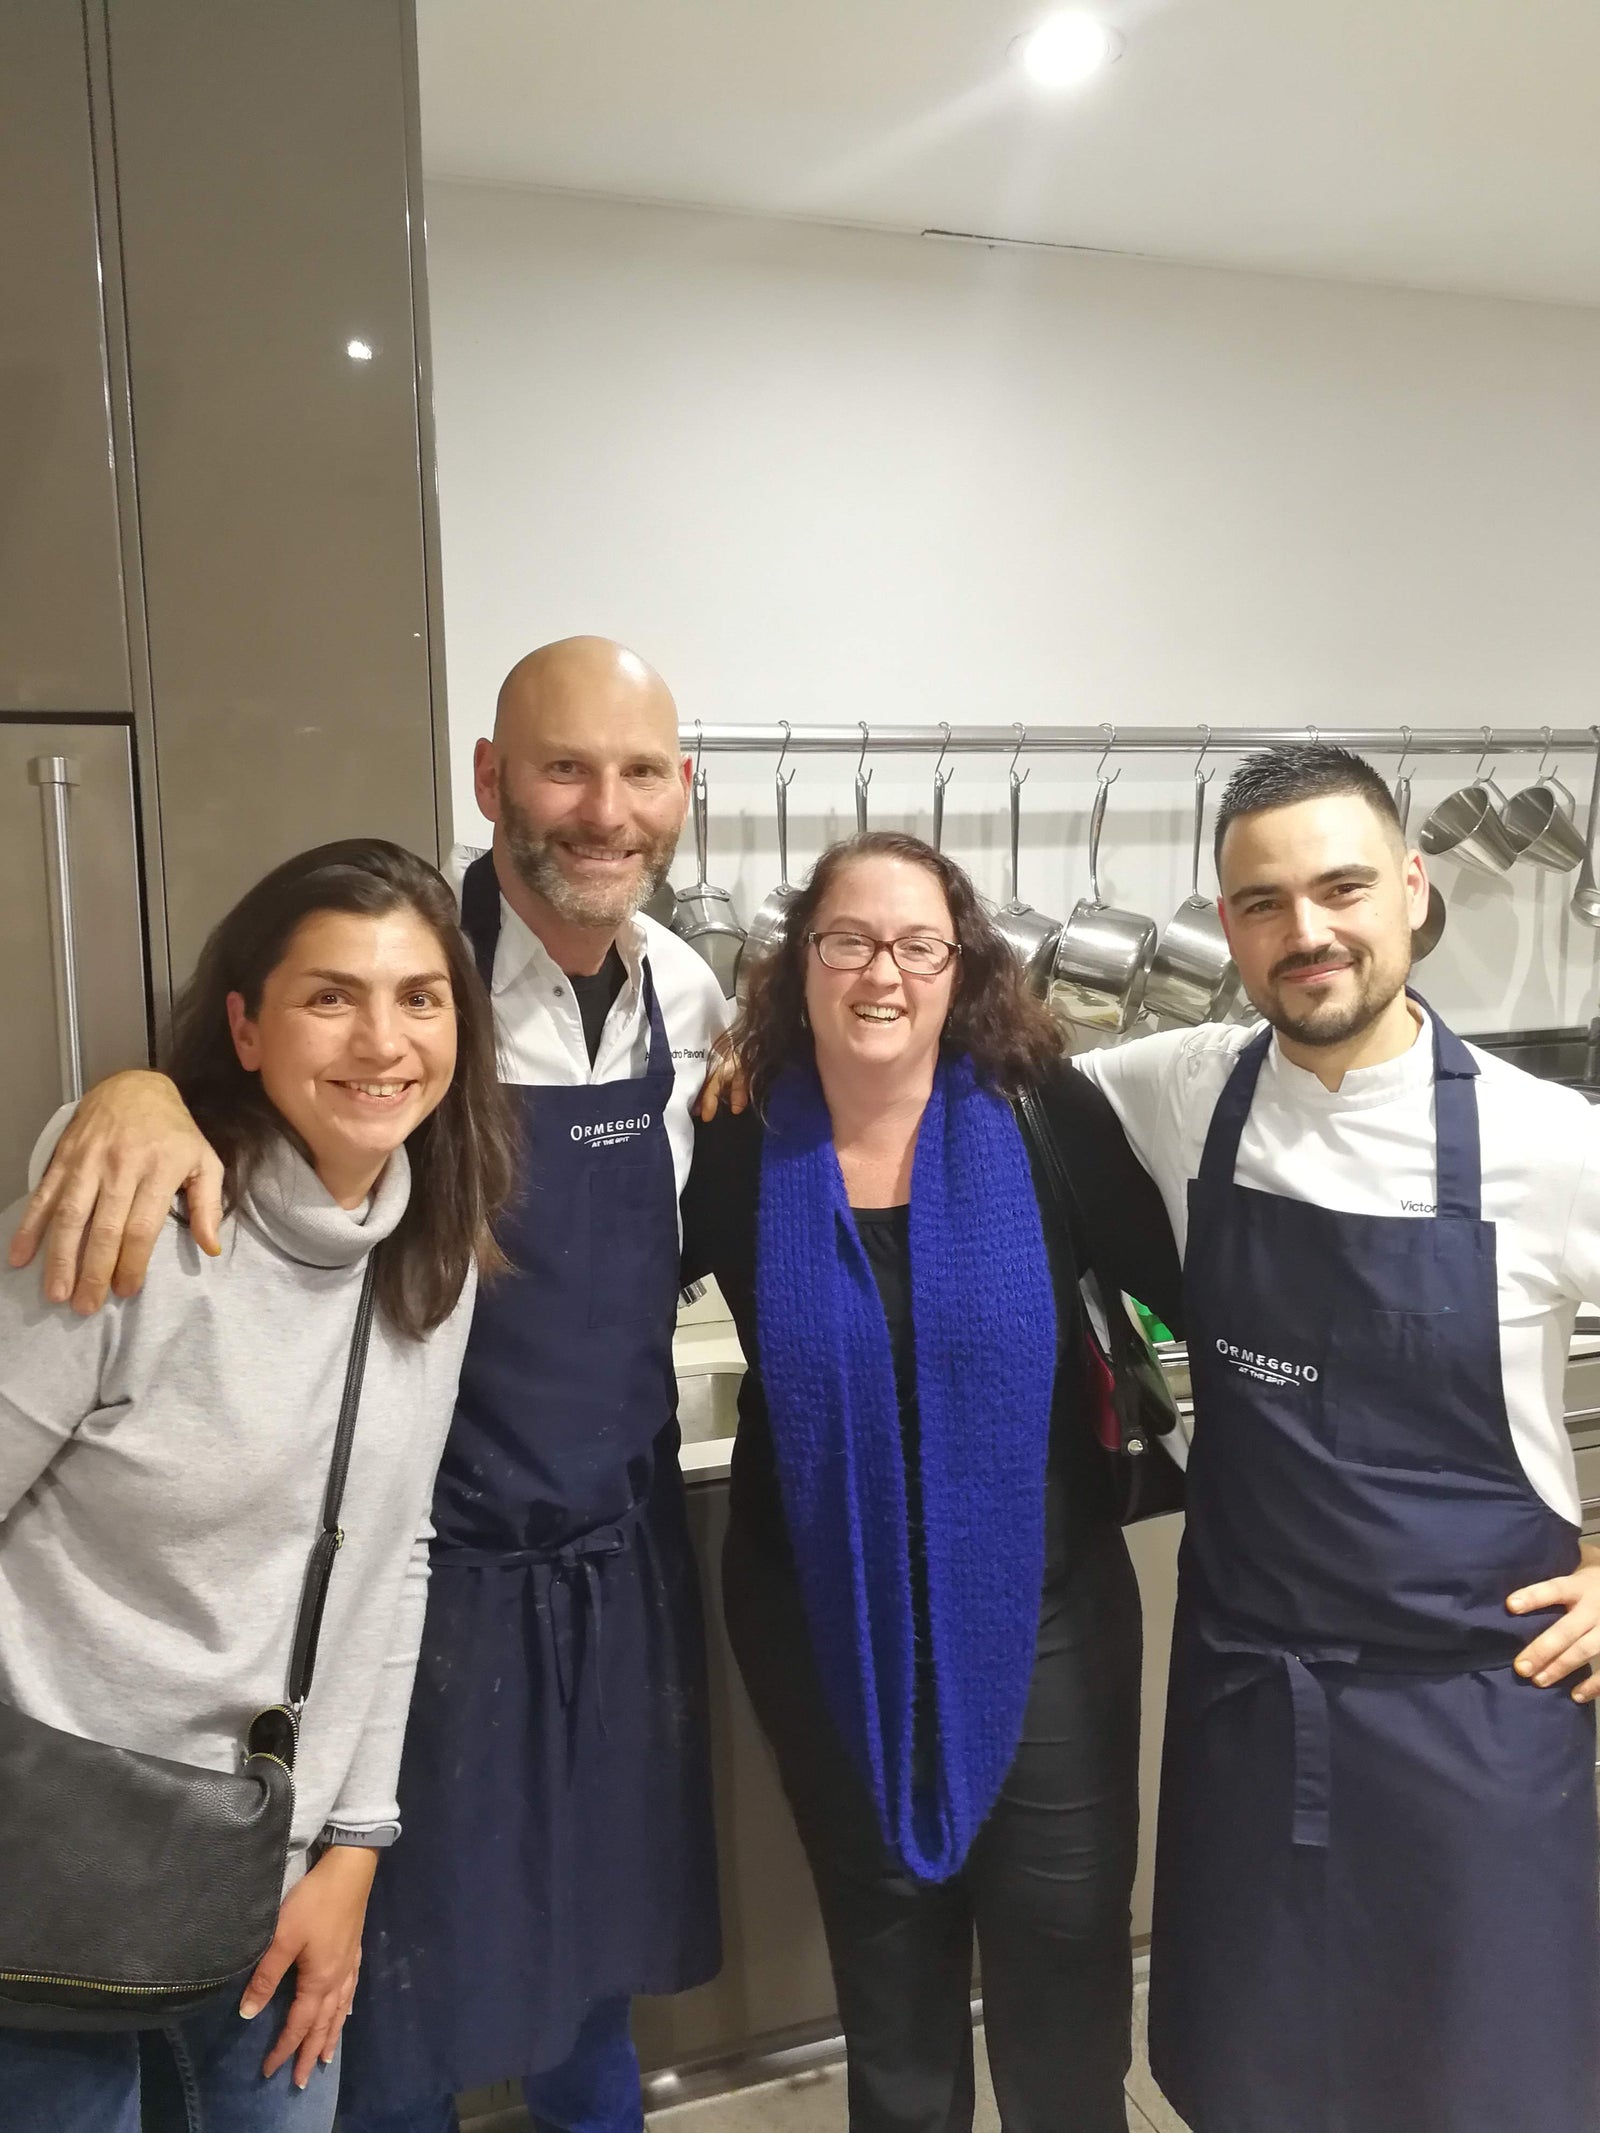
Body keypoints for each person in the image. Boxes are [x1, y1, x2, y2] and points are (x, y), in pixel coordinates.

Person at [8, 638, 732, 2133]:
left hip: (608, 1563)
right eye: (563, 767)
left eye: (642, 771)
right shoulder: (413, 972)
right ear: (491, 780)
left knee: (590, 1962)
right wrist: (122, 1094)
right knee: (376, 2000)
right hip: (423, 1592)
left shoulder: (689, 987)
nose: (605, 809)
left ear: (683, 791)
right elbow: (230, 1111)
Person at [1076, 743, 1600, 2133]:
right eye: (1261, 902)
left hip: (1475, 1722)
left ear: (1414, 889)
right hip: (1253, 1701)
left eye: (1342, 887)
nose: (1305, 932)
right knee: (1263, 2079)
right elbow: (988, 1048)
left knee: (1481, 2083)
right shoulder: (1187, 1088)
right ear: (1229, 924)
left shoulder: (1549, 1145)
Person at [0, 838, 516, 2132]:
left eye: (419, 995)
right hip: (56, 1860)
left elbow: (397, 1554)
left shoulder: (427, 1251)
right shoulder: (136, 1219)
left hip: (277, 1880)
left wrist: (351, 1851)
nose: (381, 1039)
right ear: (243, 1023)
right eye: (328, 994)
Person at [680, 830, 1184, 2133]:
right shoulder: (738, 1143)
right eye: (847, 939)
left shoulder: (1040, 1113)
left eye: (918, 943)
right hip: (824, 1620)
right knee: (890, 1977)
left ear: (964, 966)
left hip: (1047, 1616)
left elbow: (1197, 1292)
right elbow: (592, 1283)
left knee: (1062, 1967)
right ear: (799, 964)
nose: (882, 972)